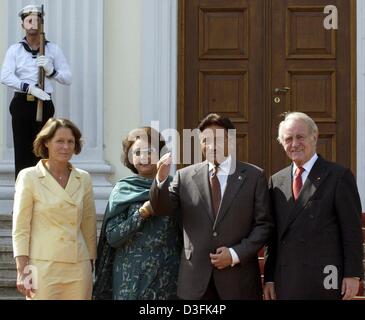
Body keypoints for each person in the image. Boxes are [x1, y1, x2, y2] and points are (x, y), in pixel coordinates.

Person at [150, 113, 273, 300]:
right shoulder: (184, 176)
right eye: (205, 140)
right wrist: (160, 179)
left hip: (239, 282)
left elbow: (264, 225)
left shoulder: (254, 176)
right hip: (195, 283)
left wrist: (234, 254)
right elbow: (161, 209)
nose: (211, 146)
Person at [263, 112, 363, 300]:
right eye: (288, 139)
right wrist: (269, 278)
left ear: (314, 137)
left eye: (300, 137)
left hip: (326, 278)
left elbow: (351, 230)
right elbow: (273, 236)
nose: (294, 144)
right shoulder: (276, 181)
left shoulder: (338, 176)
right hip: (287, 280)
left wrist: (353, 274)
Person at [12, 118, 96, 300]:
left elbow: (89, 225)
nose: (66, 147)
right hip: (41, 267)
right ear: (46, 143)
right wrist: (22, 269)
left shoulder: (84, 178)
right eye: (60, 141)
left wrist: (91, 264)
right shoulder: (29, 177)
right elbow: (21, 228)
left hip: (78, 266)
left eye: (70, 142)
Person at [93, 127, 182, 300]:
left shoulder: (175, 187)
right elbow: (112, 237)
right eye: (137, 152)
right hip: (130, 278)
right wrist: (142, 213)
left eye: (150, 151)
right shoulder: (123, 189)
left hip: (169, 276)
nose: (143, 157)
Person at [1, 5, 72, 178]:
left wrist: (51, 71)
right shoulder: (15, 50)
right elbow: (5, 76)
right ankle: (23, 196)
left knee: (44, 150)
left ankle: (44, 194)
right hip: (21, 104)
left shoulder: (52, 49)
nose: (33, 24)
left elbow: (67, 78)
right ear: (23, 24)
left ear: (41, 23)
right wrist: (28, 87)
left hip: (44, 104)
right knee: (22, 150)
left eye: (36, 20)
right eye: (28, 20)